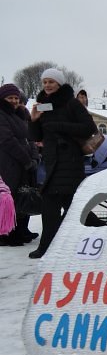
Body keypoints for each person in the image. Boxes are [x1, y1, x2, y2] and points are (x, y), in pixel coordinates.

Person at [28, 68, 97, 258]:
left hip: (70, 161)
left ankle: (47, 247)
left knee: (61, 205)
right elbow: (36, 136)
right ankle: (102, 232)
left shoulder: (71, 103)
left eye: (51, 82)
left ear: (59, 83)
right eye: (45, 82)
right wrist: (33, 121)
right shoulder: (42, 105)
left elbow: (89, 128)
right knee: (69, 205)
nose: (47, 85)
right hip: (52, 161)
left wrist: (59, 126)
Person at [0, 84, 37, 246]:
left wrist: (35, 157)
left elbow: (30, 138)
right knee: (11, 198)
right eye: (10, 98)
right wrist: (26, 159)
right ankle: (7, 233)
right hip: (9, 163)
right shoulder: (2, 115)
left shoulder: (20, 115)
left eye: (16, 98)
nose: (14, 101)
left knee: (23, 197)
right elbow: (8, 141)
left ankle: (20, 230)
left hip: (24, 164)